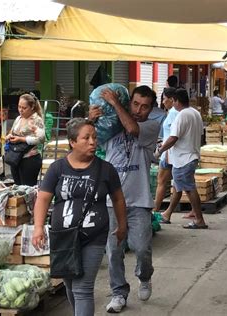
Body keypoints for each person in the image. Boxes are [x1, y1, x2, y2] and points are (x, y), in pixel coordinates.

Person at [32, 118, 127, 316]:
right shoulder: (58, 168)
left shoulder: (105, 169)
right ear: (73, 142)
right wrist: (38, 227)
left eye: (94, 137)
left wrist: (122, 226)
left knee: (82, 288)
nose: (93, 142)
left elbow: (118, 199)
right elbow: (42, 199)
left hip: (95, 236)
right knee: (69, 284)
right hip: (63, 237)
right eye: (86, 138)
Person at [88, 85, 160, 313]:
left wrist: (115, 103)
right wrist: (91, 120)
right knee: (114, 252)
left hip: (139, 201)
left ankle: (144, 275)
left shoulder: (150, 126)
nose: (139, 110)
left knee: (141, 248)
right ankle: (119, 293)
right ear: (130, 102)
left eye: (145, 106)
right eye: (135, 104)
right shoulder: (111, 126)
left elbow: (132, 128)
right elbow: (87, 141)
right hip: (111, 201)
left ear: (151, 109)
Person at [156, 88, 207, 229]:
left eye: (173, 101)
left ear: (176, 101)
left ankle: (199, 220)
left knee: (189, 188)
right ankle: (167, 214)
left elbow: (173, 138)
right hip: (189, 156)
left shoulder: (181, 115)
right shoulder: (195, 113)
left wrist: (160, 150)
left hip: (184, 158)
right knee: (178, 187)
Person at [7, 93, 45, 186]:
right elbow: (11, 132)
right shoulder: (18, 118)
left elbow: (41, 139)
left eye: (24, 108)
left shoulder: (36, 120)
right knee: (17, 189)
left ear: (32, 107)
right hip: (16, 158)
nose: (21, 110)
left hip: (30, 160)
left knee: (27, 190)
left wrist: (21, 139)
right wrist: (9, 136)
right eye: (19, 107)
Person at [152, 88, 179, 215]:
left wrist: (163, 150)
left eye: (164, 99)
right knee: (179, 183)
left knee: (162, 181)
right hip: (170, 151)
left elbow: (173, 135)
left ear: (172, 99)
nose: (163, 102)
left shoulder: (174, 113)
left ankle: (156, 209)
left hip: (168, 153)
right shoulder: (173, 112)